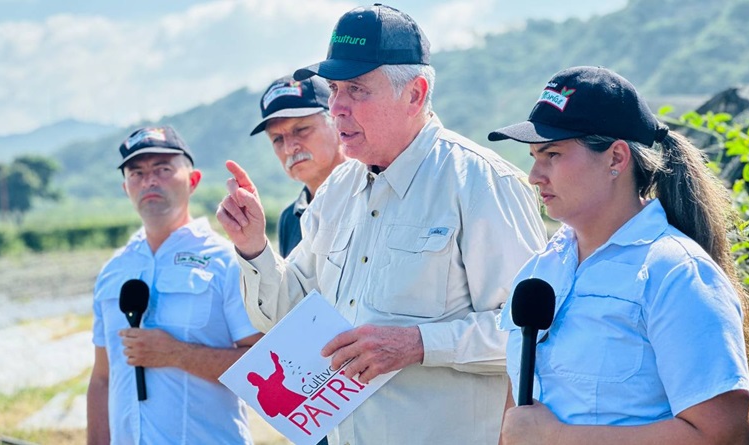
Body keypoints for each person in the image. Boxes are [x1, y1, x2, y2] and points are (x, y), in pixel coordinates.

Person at [217, 4, 547, 444]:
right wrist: (253, 247)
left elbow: (533, 338)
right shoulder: (338, 189)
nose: (336, 107)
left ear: (415, 93)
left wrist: (420, 344)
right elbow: (288, 315)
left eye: (356, 89)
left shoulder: (481, 183)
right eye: (334, 89)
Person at [490, 66, 749, 445]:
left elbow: (725, 436)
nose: (535, 175)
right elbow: (519, 419)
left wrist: (559, 437)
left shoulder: (676, 273)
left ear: (616, 158)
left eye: (552, 153)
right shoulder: (539, 271)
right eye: (535, 155)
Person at [87, 125, 263, 445]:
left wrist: (176, 353)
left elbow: (261, 366)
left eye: (163, 169)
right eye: (136, 173)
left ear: (193, 180)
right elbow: (102, 379)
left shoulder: (226, 261)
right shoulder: (113, 271)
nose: (149, 180)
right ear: (125, 187)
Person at [250, 75, 346, 258]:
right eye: (277, 139)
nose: (289, 148)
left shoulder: (371, 194)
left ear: (336, 123)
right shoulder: (289, 219)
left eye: (301, 130)